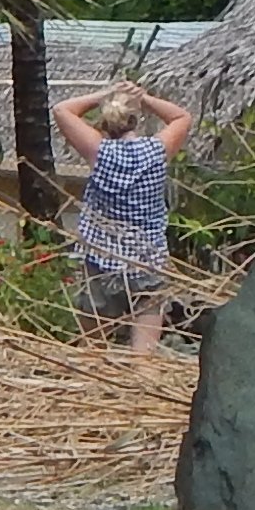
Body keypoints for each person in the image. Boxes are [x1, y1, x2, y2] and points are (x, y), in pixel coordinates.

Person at [56, 80, 196, 349]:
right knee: (143, 361)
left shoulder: (98, 151)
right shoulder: (157, 151)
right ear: (135, 120)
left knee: (92, 353)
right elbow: (182, 117)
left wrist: (104, 95)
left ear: (105, 122)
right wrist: (144, 98)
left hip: (102, 261)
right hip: (147, 261)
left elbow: (62, 110)